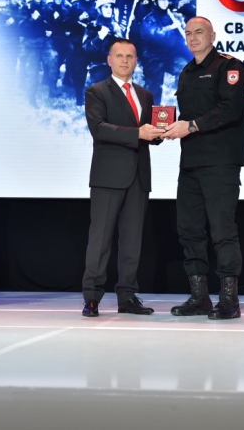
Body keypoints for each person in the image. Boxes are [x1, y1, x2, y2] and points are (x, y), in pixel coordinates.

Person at [164, 16, 244, 320]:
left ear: (212, 35)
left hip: (220, 163)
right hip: (190, 162)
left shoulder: (230, 66)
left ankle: (229, 300)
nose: (192, 37)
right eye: (188, 33)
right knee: (189, 230)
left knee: (222, 231)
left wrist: (190, 126)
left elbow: (230, 109)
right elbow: (186, 116)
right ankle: (199, 297)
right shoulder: (186, 72)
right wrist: (166, 128)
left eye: (199, 32)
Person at [81, 39, 163, 317]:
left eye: (130, 56)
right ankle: (92, 297)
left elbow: (148, 133)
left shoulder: (145, 95)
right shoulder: (96, 91)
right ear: (109, 60)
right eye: (119, 56)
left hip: (139, 176)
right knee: (100, 240)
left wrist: (159, 133)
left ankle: (127, 296)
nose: (125, 61)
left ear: (136, 61)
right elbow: (99, 128)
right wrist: (138, 133)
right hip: (108, 176)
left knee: (131, 241)